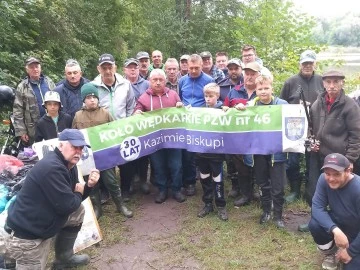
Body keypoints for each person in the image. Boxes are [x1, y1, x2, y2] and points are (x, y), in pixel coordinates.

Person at [1, 129, 100, 269]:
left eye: (81, 148)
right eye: (74, 147)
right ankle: (9, 261)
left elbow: (71, 202)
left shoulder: (69, 165)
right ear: (60, 146)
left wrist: (88, 186)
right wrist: (78, 192)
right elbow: (68, 204)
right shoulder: (52, 168)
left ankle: (64, 259)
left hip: (41, 222)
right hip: (26, 237)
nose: (78, 151)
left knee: (78, 210)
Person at [300, 70, 360, 232]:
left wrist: (350, 160)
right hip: (319, 156)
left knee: (342, 194)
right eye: (328, 82)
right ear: (323, 84)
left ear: (342, 83)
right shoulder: (316, 104)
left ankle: (345, 223)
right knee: (313, 189)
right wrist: (310, 144)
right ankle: (316, 219)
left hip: (340, 159)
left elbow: (356, 135)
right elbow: (309, 129)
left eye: (335, 82)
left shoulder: (350, 105)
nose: (332, 86)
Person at [72, 83, 133, 218]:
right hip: (88, 156)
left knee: (111, 181)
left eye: (94, 97)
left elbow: (115, 132)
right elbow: (75, 136)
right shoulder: (78, 116)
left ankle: (120, 204)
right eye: (88, 97)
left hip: (104, 155)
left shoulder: (105, 113)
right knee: (92, 183)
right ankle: (97, 207)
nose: (92, 100)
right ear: (84, 100)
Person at [134, 69, 185, 204]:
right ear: (149, 82)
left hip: (174, 139)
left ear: (165, 81)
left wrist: (180, 106)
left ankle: (176, 190)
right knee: (158, 166)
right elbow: (137, 111)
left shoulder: (174, 95)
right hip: (155, 141)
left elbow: (182, 114)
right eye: (154, 80)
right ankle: (162, 190)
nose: (157, 82)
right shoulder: (143, 97)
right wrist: (137, 112)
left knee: (176, 165)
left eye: (160, 80)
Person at [280, 50, 324, 203]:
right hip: (294, 128)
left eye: (310, 63)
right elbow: (281, 105)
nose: (307, 66)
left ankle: (310, 190)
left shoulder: (322, 80)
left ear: (315, 64)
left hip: (315, 128)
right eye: (304, 63)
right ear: (300, 64)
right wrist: (296, 105)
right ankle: (294, 189)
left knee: (312, 161)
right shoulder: (290, 82)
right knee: (292, 161)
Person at [92, 53, 136, 200]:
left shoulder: (126, 84)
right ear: (99, 69)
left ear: (115, 67)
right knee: (104, 162)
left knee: (126, 160)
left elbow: (131, 105)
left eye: (110, 67)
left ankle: (125, 189)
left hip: (122, 127)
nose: (107, 71)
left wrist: (128, 122)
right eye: (104, 67)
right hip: (102, 131)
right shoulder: (93, 86)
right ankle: (105, 191)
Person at [248, 74, 288, 228]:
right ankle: (266, 211)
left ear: (272, 88)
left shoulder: (282, 104)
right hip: (259, 152)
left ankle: (278, 215)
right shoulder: (251, 106)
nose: (263, 91)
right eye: (260, 89)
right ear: (255, 90)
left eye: (266, 88)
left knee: (278, 186)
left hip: (277, 152)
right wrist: (239, 109)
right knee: (263, 183)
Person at [309, 153, 360, 270]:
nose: (331, 179)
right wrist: (335, 230)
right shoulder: (323, 179)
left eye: (336, 174)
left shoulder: (358, 188)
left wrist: (351, 252)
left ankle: (346, 252)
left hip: (357, 233)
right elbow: (317, 207)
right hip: (341, 224)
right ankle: (331, 253)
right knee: (315, 224)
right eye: (328, 174)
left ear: (348, 171)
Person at [223, 62, 261, 207]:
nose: (249, 77)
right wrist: (227, 109)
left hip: (257, 137)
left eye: (253, 74)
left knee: (259, 165)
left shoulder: (263, 91)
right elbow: (225, 109)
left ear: (258, 76)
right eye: (247, 74)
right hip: (238, 138)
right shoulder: (234, 91)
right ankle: (246, 194)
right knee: (241, 167)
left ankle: (258, 191)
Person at [179, 54, 214, 196]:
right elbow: (180, 99)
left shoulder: (209, 80)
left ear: (202, 66)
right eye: (191, 68)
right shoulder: (182, 81)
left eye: (197, 68)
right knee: (188, 154)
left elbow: (213, 100)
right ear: (187, 66)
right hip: (187, 123)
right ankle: (190, 182)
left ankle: (210, 181)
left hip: (203, 122)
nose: (193, 71)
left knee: (203, 153)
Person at [196, 83, 227, 221]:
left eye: (211, 96)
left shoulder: (223, 110)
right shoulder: (200, 110)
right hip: (202, 152)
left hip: (216, 153)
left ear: (217, 96)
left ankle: (221, 205)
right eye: (206, 96)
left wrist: (228, 110)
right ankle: (208, 203)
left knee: (217, 178)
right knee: (204, 177)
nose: (208, 99)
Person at [13, 56, 56, 145]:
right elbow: (18, 111)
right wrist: (21, 131)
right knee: (37, 153)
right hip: (33, 128)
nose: (35, 69)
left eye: (37, 67)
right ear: (27, 70)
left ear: (40, 68)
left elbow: (59, 102)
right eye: (31, 67)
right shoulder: (22, 87)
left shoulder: (49, 82)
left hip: (52, 124)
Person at [123, 58, 151, 194]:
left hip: (143, 124)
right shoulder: (121, 84)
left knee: (143, 153)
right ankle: (132, 179)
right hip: (127, 123)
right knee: (129, 151)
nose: (133, 70)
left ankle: (143, 179)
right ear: (125, 70)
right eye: (130, 67)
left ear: (139, 69)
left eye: (135, 67)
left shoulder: (146, 84)